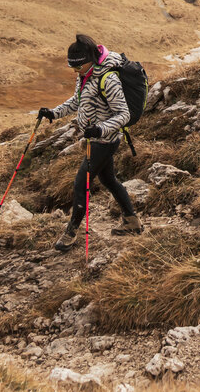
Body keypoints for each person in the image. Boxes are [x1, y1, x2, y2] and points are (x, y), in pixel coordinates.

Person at [38, 33, 139, 249]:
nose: (75, 71)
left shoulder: (108, 79)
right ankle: (132, 222)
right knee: (108, 180)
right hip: (95, 138)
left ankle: (71, 233)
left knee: (80, 183)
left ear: (89, 60)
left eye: (77, 67)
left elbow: (124, 114)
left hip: (106, 140)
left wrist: (100, 129)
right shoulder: (85, 75)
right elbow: (77, 101)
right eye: (72, 68)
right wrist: (53, 114)